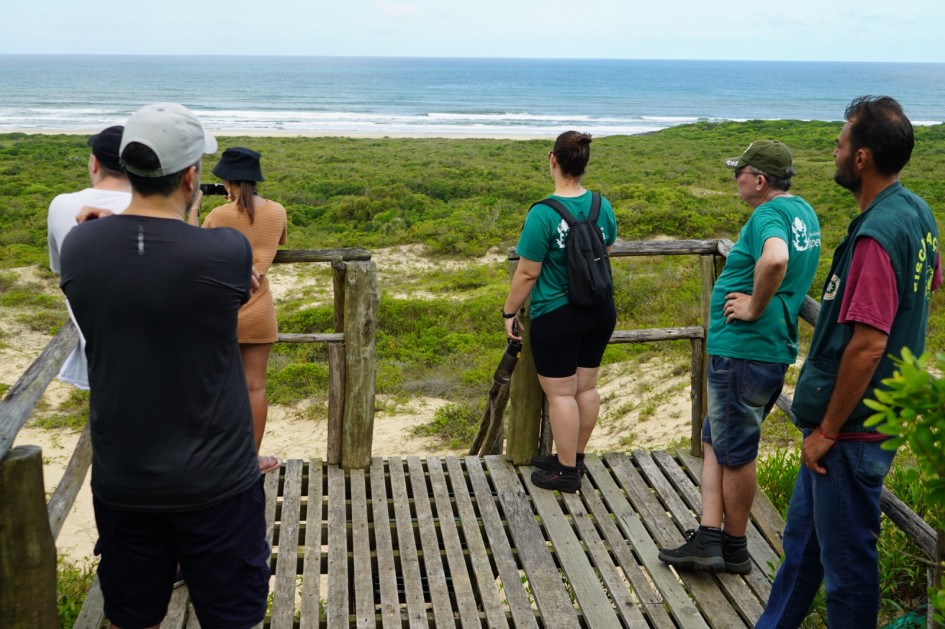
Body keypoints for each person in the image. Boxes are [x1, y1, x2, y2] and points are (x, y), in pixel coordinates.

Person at [60, 103, 269, 629]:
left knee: (132, 617)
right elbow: (191, 248)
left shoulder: (81, 244)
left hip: (123, 478)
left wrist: (104, 225)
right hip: (218, 479)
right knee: (232, 617)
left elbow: (139, 253)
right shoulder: (224, 253)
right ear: (192, 176)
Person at [757, 96, 941, 628]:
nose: (833, 152)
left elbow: (868, 345)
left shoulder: (876, 236)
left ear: (860, 158)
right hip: (865, 422)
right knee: (804, 548)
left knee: (847, 571)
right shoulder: (918, 211)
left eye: (839, 144)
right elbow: (934, 277)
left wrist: (829, 431)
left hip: (850, 434)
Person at [658, 140, 821, 574]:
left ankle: (733, 544)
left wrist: (751, 306)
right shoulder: (802, 211)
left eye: (741, 172)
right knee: (718, 440)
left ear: (760, 179)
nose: (736, 179)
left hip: (745, 350)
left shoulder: (768, 214)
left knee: (737, 452)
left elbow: (775, 259)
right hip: (766, 350)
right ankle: (715, 540)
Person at [502, 130, 617, 493]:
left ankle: (565, 473)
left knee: (561, 394)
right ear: (583, 163)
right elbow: (607, 247)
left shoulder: (543, 214)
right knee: (586, 388)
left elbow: (527, 271)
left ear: (553, 159)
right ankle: (575, 457)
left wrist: (509, 311)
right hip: (600, 310)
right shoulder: (602, 205)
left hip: (559, 312)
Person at [197, 147, 287, 475]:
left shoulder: (218, 217)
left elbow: (195, 248)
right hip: (260, 307)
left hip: (219, 311)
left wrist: (195, 209)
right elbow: (275, 243)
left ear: (224, 179)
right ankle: (250, 458)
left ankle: (217, 458)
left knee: (217, 389)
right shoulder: (277, 211)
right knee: (255, 387)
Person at [47, 125, 131, 389]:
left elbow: (60, 269)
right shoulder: (154, 209)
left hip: (92, 340)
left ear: (94, 163)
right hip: (149, 343)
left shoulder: (61, 204)